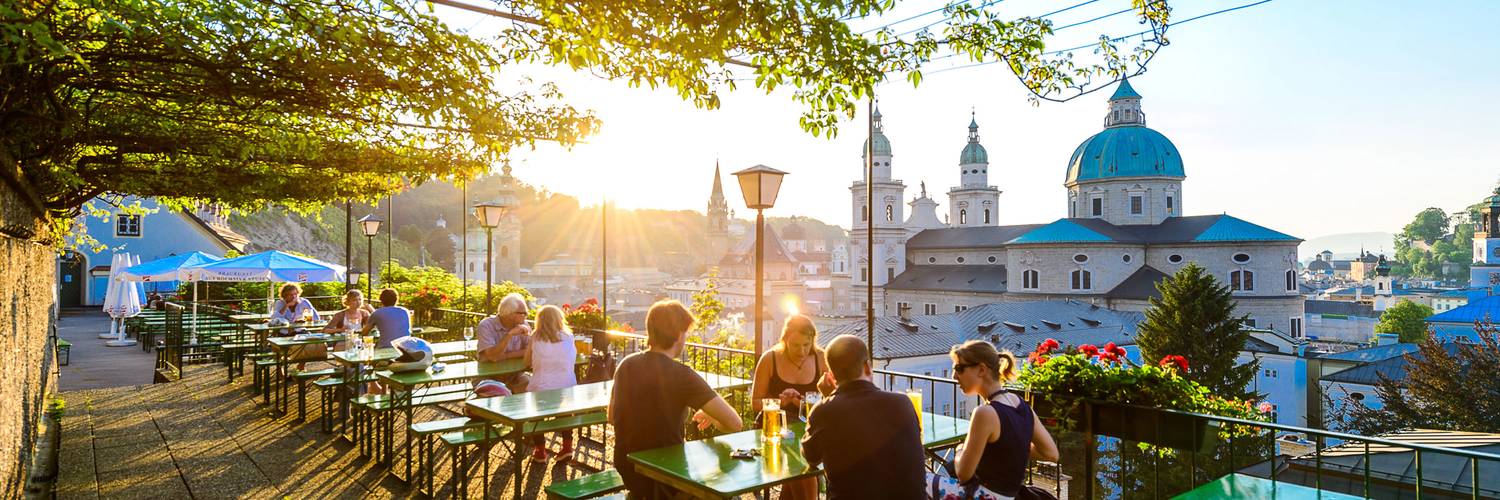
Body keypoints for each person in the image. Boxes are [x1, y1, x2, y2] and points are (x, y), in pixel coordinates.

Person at [608, 300, 743, 499]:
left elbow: (611, 417)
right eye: (686, 332)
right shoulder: (682, 375)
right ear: (679, 334)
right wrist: (712, 417)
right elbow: (735, 423)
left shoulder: (626, 365)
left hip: (628, 469)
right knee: (728, 494)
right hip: (665, 475)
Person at [800, 334, 926, 500]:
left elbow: (810, 458)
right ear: (867, 366)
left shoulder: (824, 411)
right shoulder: (903, 403)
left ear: (832, 375)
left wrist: (828, 399)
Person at [941, 340, 1059, 499]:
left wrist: (960, 451)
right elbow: (1051, 454)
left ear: (981, 369)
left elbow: (963, 473)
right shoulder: (1022, 406)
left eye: (959, 368)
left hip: (985, 495)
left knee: (918, 480)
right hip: (1010, 495)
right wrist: (1008, 448)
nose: (954, 376)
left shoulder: (985, 413)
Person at [750, 314, 833, 500]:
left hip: (811, 427)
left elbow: (833, 398)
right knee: (800, 464)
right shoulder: (769, 359)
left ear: (813, 340)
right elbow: (755, 403)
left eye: (807, 344)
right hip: (774, 429)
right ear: (785, 339)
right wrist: (780, 402)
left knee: (799, 465)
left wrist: (801, 403)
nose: (802, 351)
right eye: (796, 345)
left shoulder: (821, 358)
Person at [525, 305, 579, 462]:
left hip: (541, 387)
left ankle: (540, 450)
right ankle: (567, 447)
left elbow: (526, 361)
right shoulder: (569, 336)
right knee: (565, 413)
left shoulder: (536, 336)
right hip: (567, 386)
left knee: (536, 415)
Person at [476, 293, 532, 391]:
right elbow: (493, 356)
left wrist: (505, 356)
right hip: (489, 377)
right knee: (496, 393)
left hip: (515, 375)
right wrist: (509, 335)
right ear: (509, 313)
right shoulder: (486, 325)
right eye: (523, 313)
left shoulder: (524, 325)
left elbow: (530, 351)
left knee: (531, 385)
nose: (525, 316)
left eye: (526, 313)